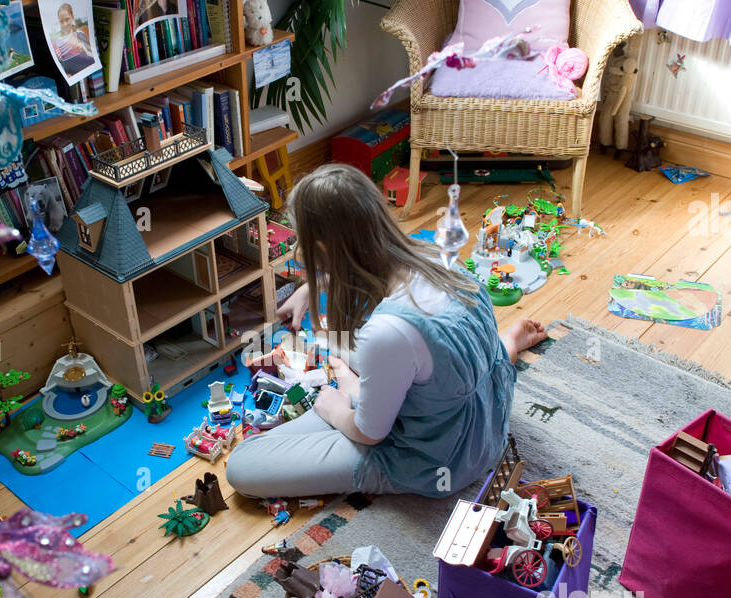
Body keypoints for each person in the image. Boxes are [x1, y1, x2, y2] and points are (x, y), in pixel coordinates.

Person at [226, 164, 546, 499]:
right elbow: (366, 271)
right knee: (352, 352)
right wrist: (310, 288)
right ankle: (504, 345)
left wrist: (334, 409)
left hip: (441, 461)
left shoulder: (388, 332)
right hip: (482, 419)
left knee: (243, 465)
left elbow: (369, 434)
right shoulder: (437, 258)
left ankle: (355, 396)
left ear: (321, 249)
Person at [52, 2, 94, 76]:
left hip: (84, 75)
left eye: (67, 19)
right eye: (61, 21)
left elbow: (93, 58)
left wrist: (84, 49)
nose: (64, 24)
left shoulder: (79, 34)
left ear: (72, 17)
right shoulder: (56, 42)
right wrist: (57, 58)